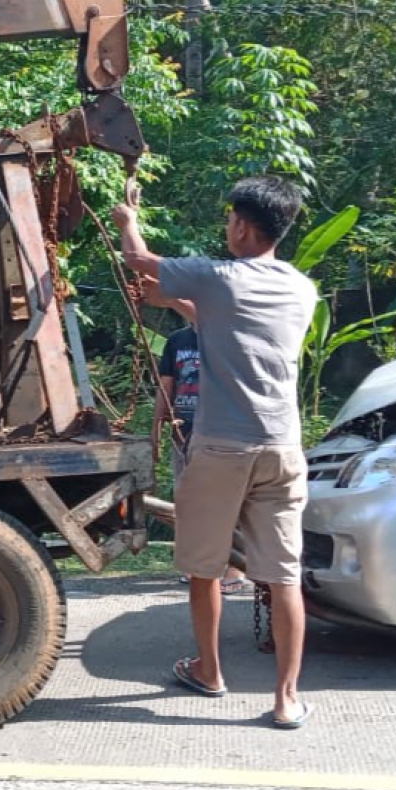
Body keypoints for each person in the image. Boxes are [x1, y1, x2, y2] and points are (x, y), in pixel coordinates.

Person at [113, 175, 318, 730]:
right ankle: (286, 699)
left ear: (244, 227)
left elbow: (138, 259)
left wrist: (128, 220)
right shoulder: (302, 289)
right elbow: (231, 325)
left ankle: (209, 670)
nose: (227, 228)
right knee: (283, 578)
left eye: (231, 220)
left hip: (221, 447)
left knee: (205, 570)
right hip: (281, 448)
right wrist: (175, 302)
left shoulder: (219, 274)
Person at [155, 318, 250, 596]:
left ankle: (234, 567)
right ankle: (199, 565)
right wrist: (156, 431)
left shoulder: (230, 335)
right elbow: (166, 386)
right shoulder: (177, 340)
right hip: (183, 434)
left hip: (223, 433)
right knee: (188, 501)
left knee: (229, 501)